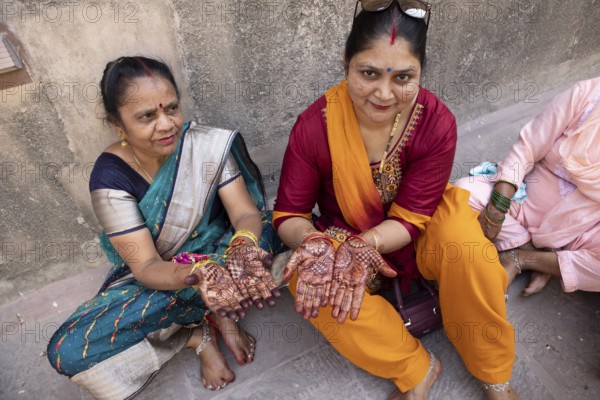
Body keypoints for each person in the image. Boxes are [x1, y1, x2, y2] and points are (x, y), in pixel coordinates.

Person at [273, 1, 520, 399]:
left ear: (421, 72)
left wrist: (366, 247)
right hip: (345, 236)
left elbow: (412, 217)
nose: (384, 94)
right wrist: (323, 246)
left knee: (470, 252)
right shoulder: (313, 126)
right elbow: (289, 214)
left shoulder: (436, 121)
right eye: (368, 73)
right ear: (345, 63)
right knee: (307, 281)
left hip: (422, 230)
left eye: (403, 77)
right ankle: (415, 368)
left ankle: (494, 374)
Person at [46, 56, 284, 399]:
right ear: (117, 125)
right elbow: (145, 266)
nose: (166, 124)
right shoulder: (109, 177)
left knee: (294, 233)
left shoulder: (204, 146)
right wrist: (199, 276)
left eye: (171, 109)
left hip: (225, 249)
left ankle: (225, 312)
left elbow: (245, 214)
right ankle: (196, 336)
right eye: (147, 116)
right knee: (68, 350)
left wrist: (243, 248)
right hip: (170, 274)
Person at [456, 77, 600, 296]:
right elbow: (528, 148)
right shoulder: (586, 95)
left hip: (580, 232)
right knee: (464, 192)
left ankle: (525, 259)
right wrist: (497, 209)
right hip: (523, 204)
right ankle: (542, 257)